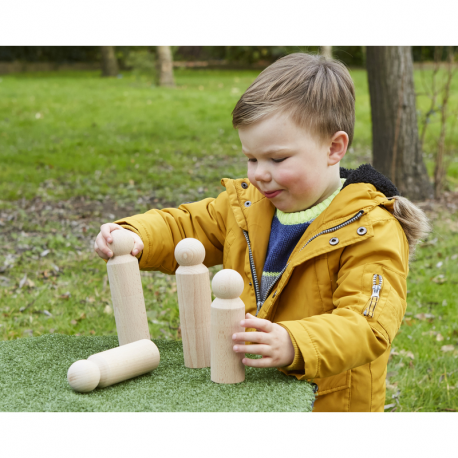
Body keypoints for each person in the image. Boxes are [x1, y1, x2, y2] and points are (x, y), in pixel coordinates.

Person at [94, 53, 430, 412]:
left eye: (277, 159)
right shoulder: (248, 206)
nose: (259, 174)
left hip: (327, 405)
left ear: (334, 148)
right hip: (251, 396)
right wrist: (134, 234)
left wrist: (295, 341)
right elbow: (188, 224)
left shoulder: (371, 229)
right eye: (251, 158)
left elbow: (368, 323)